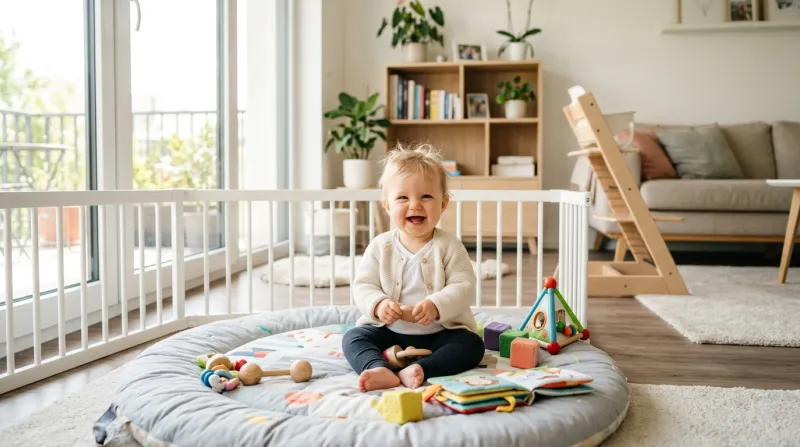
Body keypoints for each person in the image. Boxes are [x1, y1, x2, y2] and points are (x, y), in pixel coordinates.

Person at [342, 143, 485, 392]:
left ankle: (422, 368)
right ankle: (378, 368)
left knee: (472, 345)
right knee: (353, 338)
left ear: (442, 204)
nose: (415, 205)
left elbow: (464, 286)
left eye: (426, 196)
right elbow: (364, 285)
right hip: (389, 330)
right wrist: (378, 304)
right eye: (402, 198)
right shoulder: (380, 246)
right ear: (387, 206)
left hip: (440, 332)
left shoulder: (449, 246)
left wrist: (437, 304)